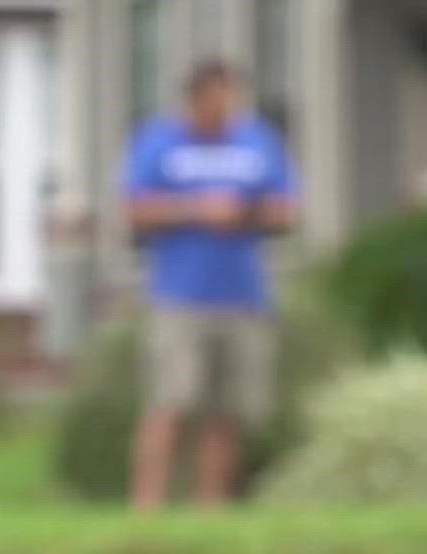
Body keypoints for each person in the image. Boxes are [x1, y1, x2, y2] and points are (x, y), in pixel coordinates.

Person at [122, 59, 300, 509]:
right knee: (170, 404)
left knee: (228, 412)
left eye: (231, 98)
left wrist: (242, 213)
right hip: (180, 297)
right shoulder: (160, 141)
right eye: (215, 98)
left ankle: (212, 508)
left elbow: (286, 210)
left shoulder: (258, 141)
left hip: (243, 297)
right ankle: (146, 508)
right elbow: (135, 210)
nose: (224, 108)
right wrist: (197, 209)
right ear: (195, 98)